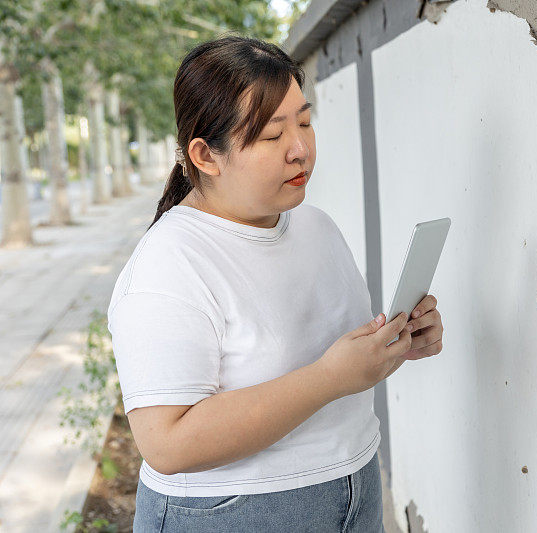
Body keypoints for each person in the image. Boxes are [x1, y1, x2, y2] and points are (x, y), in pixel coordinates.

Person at [106, 35, 444, 532]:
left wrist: (393, 344)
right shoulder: (167, 266)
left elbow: (339, 365)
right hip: (237, 512)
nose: (300, 148)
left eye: (305, 122)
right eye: (271, 135)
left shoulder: (316, 226)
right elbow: (167, 444)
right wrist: (329, 377)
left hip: (356, 487)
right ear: (205, 155)